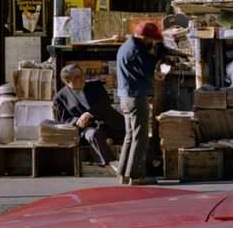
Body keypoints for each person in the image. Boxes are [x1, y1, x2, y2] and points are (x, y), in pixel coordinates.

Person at [116, 21, 164, 185]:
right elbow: (149, 69)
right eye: (151, 40)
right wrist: (157, 54)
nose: (152, 43)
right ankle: (136, 176)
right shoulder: (137, 50)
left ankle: (124, 173)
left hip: (125, 96)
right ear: (146, 37)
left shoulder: (126, 47)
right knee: (140, 137)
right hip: (136, 97)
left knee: (130, 136)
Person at [53, 63, 113, 168]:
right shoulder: (60, 97)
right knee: (93, 134)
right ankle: (108, 165)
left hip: (106, 122)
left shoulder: (95, 86)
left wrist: (89, 113)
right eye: (77, 77)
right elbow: (61, 120)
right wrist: (78, 121)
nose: (82, 79)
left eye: (82, 75)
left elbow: (105, 104)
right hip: (85, 129)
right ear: (67, 81)